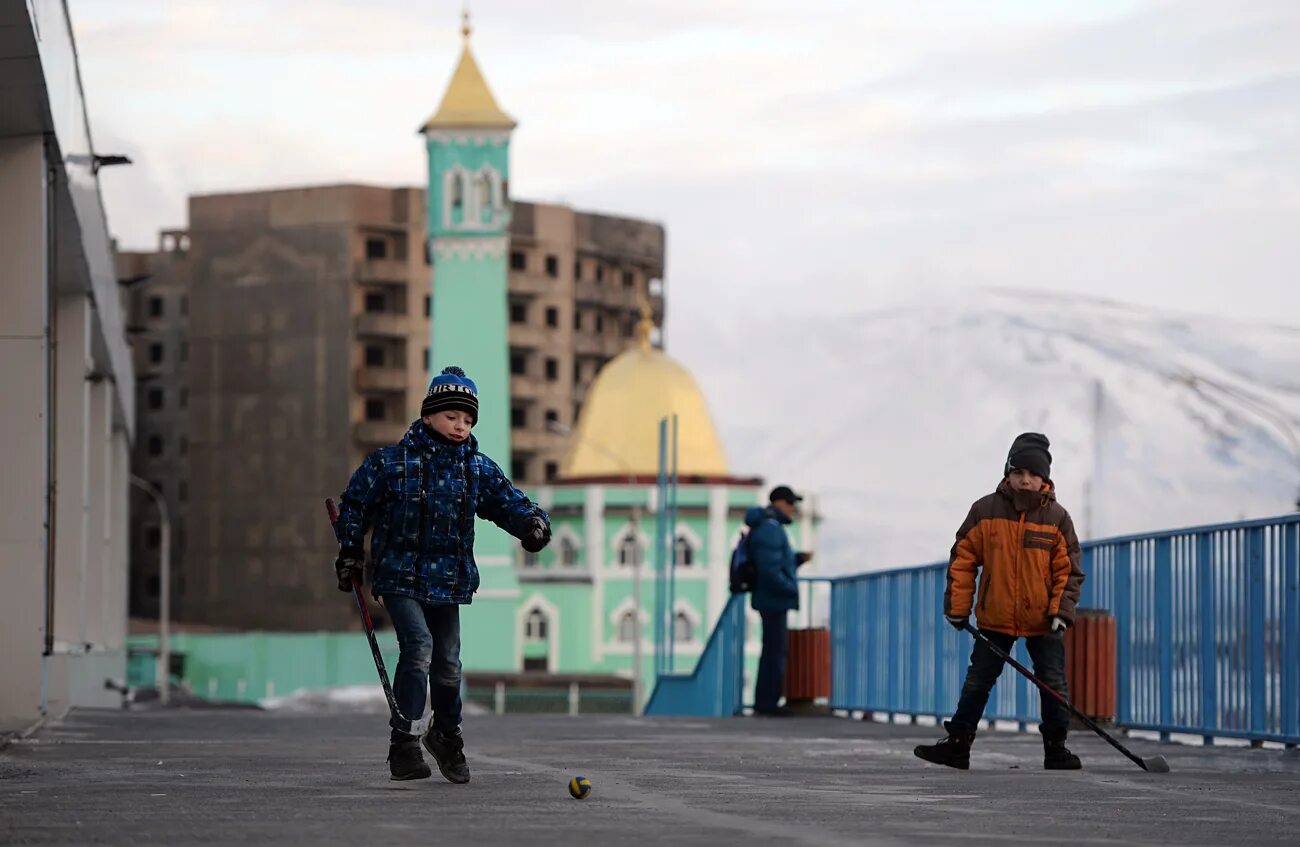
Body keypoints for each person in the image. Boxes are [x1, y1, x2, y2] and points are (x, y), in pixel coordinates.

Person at [333, 366, 551, 782]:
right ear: (429, 414)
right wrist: (350, 552)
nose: (460, 427)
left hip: (448, 581)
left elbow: (508, 502)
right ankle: (405, 743)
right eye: (452, 417)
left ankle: (447, 736)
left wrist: (532, 525)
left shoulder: (475, 468)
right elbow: (356, 503)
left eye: (468, 420)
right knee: (419, 647)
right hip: (399, 574)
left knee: (448, 664)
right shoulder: (392, 463)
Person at [914, 432, 1085, 770]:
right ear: (1008, 472)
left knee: (1053, 682)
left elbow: (1069, 570)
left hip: (1043, 618)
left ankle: (1056, 749)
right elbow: (962, 560)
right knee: (978, 679)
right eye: (1019, 472)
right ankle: (958, 744)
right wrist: (958, 608)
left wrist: (1061, 612)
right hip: (995, 616)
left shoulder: (1057, 518)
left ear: (1045, 479)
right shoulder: (985, 510)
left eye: (1034, 475)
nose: (1025, 480)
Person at [746, 485, 813, 717]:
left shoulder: (767, 527)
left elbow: (774, 562)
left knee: (772, 651)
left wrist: (797, 559)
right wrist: (788, 588)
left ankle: (766, 701)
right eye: (791, 503)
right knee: (775, 653)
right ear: (780, 502)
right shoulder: (771, 529)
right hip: (774, 598)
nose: (793, 508)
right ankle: (767, 704)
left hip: (770, 597)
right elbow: (770, 569)